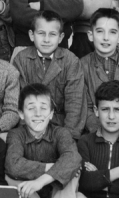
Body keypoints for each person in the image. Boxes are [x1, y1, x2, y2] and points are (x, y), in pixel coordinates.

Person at [6, 83, 85, 198]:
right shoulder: (16, 134)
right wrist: (50, 168)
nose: (37, 114)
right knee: (11, 175)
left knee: (73, 171)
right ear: (20, 113)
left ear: (50, 114)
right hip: (29, 197)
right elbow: (13, 164)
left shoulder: (61, 133)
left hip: (56, 195)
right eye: (31, 108)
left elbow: (73, 158)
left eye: (43, 108)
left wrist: (40, 181)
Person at [12, 10, 86, 140]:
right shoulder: (21, 60)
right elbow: (19, 101)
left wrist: (67, 138)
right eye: (41, 33)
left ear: (61, 37)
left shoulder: (71, 61)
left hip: (61, 128)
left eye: (52, 34)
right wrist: (28, 135)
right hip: (30, 128)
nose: (46, 40)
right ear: (31, 35)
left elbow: (75, 104)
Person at [78, 8, 119, 135]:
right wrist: (103, 135)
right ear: (90, 35)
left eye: (112, 32)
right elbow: (84, 108)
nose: (106, 38)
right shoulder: (81, 66)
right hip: (93, 135)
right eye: (100, 31)